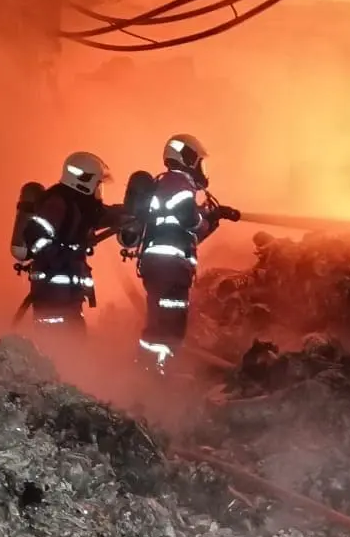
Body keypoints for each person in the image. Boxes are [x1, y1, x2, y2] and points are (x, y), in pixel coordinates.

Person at [130, 133, 239, 372]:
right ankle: (154, 374)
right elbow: (189, 219)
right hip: (168, 267)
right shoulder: (177, 183)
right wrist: (207, 218)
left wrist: (214, 218)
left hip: (166, 267)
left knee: (166, 322)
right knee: (167, 324)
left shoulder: (168, 184)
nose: (202, 168)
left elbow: (188, 232)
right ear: (189, 158)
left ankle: (154, 371)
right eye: (199, 161)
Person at [13, 152, 121, 332]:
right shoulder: (57, 202)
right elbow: (35, 236)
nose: (98, 189)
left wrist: (131, 214)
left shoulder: (79, 203)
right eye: (96, 184)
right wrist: (59, 256)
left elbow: (102, 216)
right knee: (55, 340)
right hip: (52, 290)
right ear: (83, 179)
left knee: (73, 338)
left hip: (68, 293)